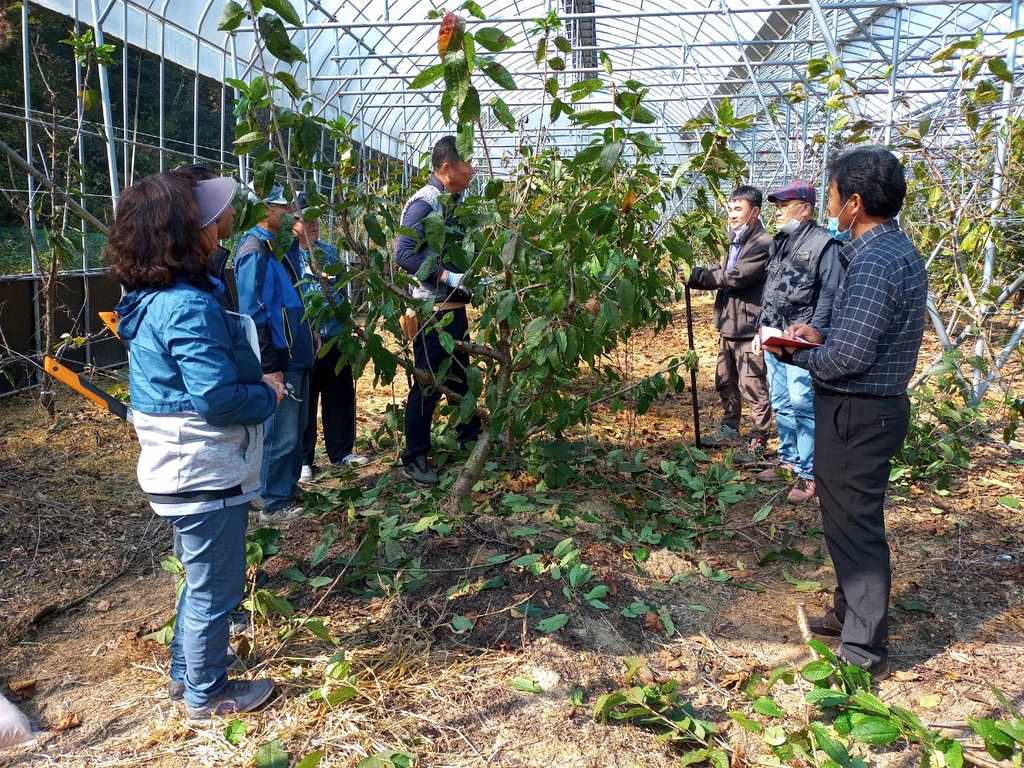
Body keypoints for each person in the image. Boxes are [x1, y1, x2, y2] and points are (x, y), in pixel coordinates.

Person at [107, 171, 281, 720]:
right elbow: (217, 399)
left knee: (199, 580)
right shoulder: (186, 305)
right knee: (216, 591)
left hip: (180, 469)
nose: (224, 218)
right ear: (185, 230)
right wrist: (267, 394)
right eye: (209, 215)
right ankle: (209, 694)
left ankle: (187, 675)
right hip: (201, 470)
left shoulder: (153, 296)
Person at [770, 146, 927, 678]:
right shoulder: (887, 251)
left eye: (833, 194)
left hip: (858, 413)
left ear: (854, 202)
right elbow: (859, 336)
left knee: (856, 526)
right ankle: (849, 615)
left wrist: (797, 351)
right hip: (866, 410)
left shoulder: (875, 260)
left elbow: (849, 357)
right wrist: (821, 333)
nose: (829, 202)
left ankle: (864, 651)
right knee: (843, 518)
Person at [395, 135, 481, 485]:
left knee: (460, 374)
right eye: (467, 164)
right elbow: (404, 254)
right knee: (428, 383)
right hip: (432, 311)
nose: (473, 170)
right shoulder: (425, 203)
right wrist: (447, 275)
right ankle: (414, 455)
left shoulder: (454, 201)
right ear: (447, 169)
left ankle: (470, 434)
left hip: (453, 307)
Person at [754, 180, 843, 504]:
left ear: (805, 209)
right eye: (776, 207)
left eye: (783, 207)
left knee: (802, 404)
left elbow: (830, 295)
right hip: (774, 337)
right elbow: (771, 290)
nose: (777, 213)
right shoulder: (780, 242)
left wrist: (814, 331)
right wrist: (760, 330)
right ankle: (788, 459)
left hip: (800, 343)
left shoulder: (824, 245)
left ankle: (809, 474)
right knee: (781, 402)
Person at [234, 181, 317, 523]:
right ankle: (270, 501)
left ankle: (287, 487)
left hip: (297, 350)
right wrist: (270, 366)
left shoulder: (280, 246)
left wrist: (310, 333)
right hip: (280, 356)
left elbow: (293, 297)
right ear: (264, 209)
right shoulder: (255, 250)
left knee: (296, 427)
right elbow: (254, 312)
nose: (289, 212)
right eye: (283, 207)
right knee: (278, 432)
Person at [686, 186, 773, 462]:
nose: (732, 215)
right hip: (728, 324)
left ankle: (758, 440)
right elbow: (722, 272)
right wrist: (695, 276)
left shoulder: (762, 244)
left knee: (752, 385)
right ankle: (729, 428)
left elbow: (735, 276)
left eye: (738, 209)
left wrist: (698, 275)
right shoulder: (733, 240)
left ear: (754, 212)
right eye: (730, 209)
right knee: (725, 380)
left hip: (748, 328)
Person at [292, 193, 369, 479]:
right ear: (292, 223)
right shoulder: (289, 256)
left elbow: (338, 292)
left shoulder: (328, 253)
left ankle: (341, 452)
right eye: (306, 220)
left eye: (316, 220)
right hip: (307, 339)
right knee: (306, 399)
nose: (313, 225)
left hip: (335, 335)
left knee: (339, 394)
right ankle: (303, 459)